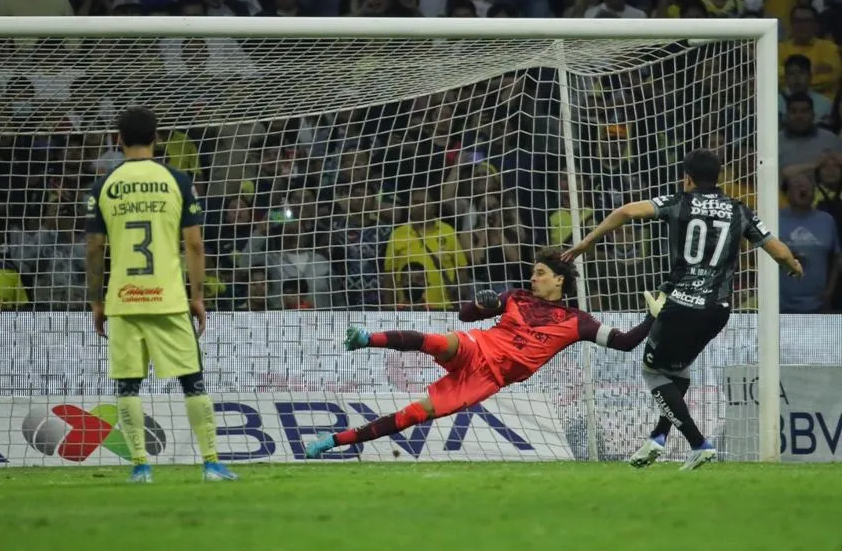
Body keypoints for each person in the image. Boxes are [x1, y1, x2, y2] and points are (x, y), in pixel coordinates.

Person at [563, 149, 804, 470]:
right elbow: (776, 248)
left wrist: (589, 240)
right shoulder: (739, 210)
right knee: (679, 371)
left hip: (680, 304)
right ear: (718, 178)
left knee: (652, 371)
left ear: (687, 178)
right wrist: (793, 264)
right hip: (718, 309)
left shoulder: (678, 202)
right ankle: (658, 438)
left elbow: (625, 212)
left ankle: (698, 443)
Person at [304, 248, 661, 459]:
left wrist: (651, 318)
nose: (533, 278)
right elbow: (466, 315)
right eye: (533, 273)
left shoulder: (577, 322)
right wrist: (479, 303)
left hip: (487, 379)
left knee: (412, 414)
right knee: (438, 341)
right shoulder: (516, 296)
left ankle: (332, 442)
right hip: (479, 346)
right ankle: (366, 338)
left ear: (559, 281)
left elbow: (625, 342)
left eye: (540, 273)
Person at [85, 106, 237, 483]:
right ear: (157, 137)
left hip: (124, 298)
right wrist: (197, 296)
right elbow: (195, 245)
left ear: (117, 140)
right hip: (168, 299)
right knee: (192, 381)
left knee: (127, 385)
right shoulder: (179, 180)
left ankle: (141, 466)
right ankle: (212, 464)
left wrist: (97, 300)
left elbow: (93, 248)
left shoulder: (104, 184)